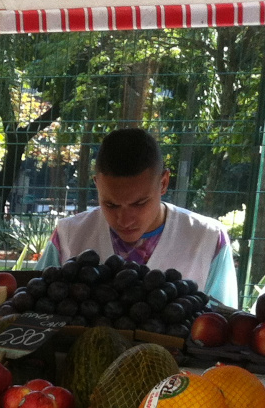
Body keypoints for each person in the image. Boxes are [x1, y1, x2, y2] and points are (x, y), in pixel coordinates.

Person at [40, 128, 237, 308]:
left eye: (139, 203)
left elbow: (222, 329)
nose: (124, 221)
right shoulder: (67, 236)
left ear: (163, 182)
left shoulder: (209, 240)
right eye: (111, 205)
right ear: (97, 185)